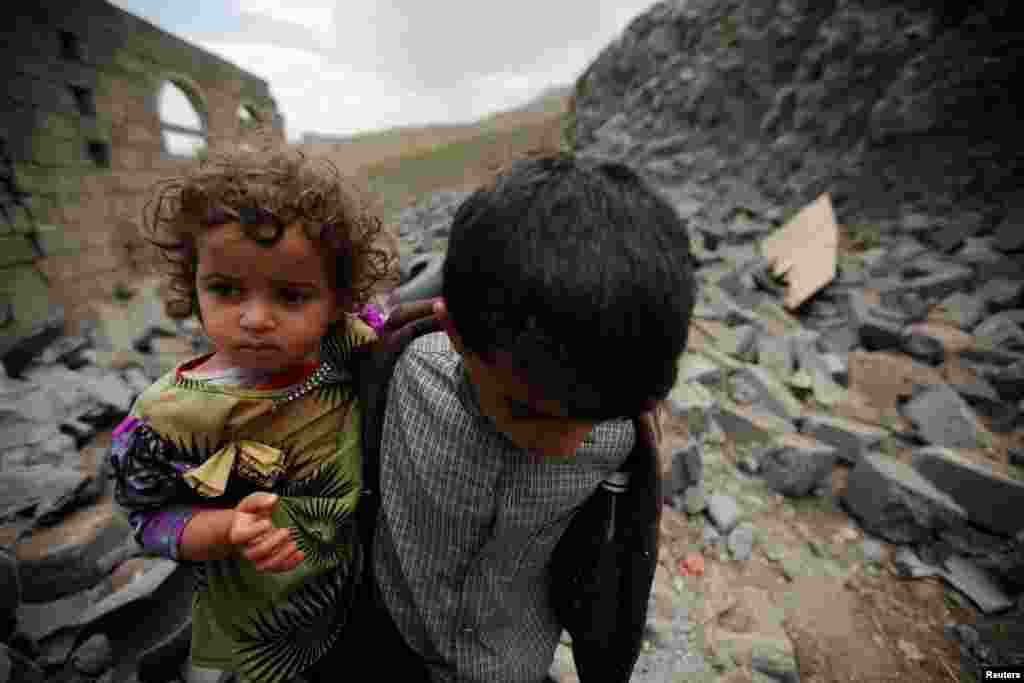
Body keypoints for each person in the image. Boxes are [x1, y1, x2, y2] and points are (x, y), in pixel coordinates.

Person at [338, 153, 696, 682]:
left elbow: (613, 565)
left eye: (591, 422)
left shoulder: (619, 431)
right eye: (528, 412)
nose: (568, 446)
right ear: (456, 334)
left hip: (509, 666)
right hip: (389, 642)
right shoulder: (401, 373)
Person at [108, 151, 393, 683]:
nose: (255, 319)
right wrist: (225, 528)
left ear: (337, 301)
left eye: (290, 295)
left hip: (365, 599)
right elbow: (148, 520)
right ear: (193, 284)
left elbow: (399, 329)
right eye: (225, 290)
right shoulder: (166, 420)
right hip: (271, 631)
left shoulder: (347, 340)